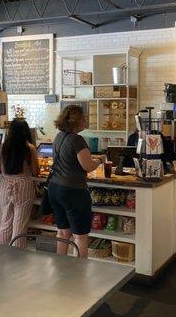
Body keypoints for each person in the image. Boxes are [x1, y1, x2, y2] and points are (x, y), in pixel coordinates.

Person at [127, 129, 176, 251]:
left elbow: (170, 154)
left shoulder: (156, 135)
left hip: (159, 175)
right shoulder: (133, 137)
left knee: (173, 206)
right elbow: (129, 156)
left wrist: (175, 164)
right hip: (139, 176)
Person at [48, 105, 103, 258]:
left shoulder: (59, 137)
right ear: (77, 121)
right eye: (84, 118)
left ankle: (60, 266)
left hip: (55, 188)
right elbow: (88, 165)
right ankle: (79, 273)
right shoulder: (77, 140)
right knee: (80, 235)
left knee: (63, 231)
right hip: (73, 191)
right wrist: (100, 160)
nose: (86, 120)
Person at [0, 119, 40, 248]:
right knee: (20, 225)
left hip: (5, 186)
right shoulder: (29, 148)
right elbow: (35, 171)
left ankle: (0, 254)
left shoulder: (3, 146)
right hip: (23, 187)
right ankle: (17, 259)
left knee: (5, 222)